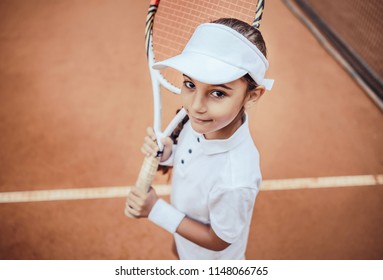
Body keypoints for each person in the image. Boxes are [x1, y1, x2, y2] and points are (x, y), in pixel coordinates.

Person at [125, 18, 274, 259]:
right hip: (186, 241)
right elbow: (192, 157)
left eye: (218, 93)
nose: (195, 106)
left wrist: (155, 209)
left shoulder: (235, 179)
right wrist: (168, 153)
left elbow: (219, 240)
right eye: (190, 84)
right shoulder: (197, 124)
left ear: (252, 95)